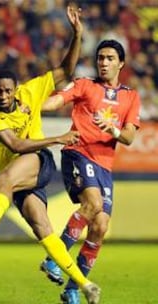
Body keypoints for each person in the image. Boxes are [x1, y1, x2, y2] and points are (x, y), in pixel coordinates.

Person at [0, 5, 100, 304]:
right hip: (24, 164)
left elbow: (66, 71)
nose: (3, 96)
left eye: (7, 91)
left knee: (4, 179)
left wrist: (77, 34)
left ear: (16, 89)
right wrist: (58, 137)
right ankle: (85, 285)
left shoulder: (32, 91)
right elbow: (15, 146)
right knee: (42, 229)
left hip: (40, 160)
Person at [40, 39, 141, 304]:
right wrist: (32, 106)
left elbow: (129, 137)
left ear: (121, 63)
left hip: (104, 165)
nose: (104, 63)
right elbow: (57, 100)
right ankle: (53, 257)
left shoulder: (130, 96)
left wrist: (113, 130)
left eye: (109, 58)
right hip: (78, 151)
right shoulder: (85, 85)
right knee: (93, 203)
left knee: (100, 226)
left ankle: (73, 288)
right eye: (100, 58)